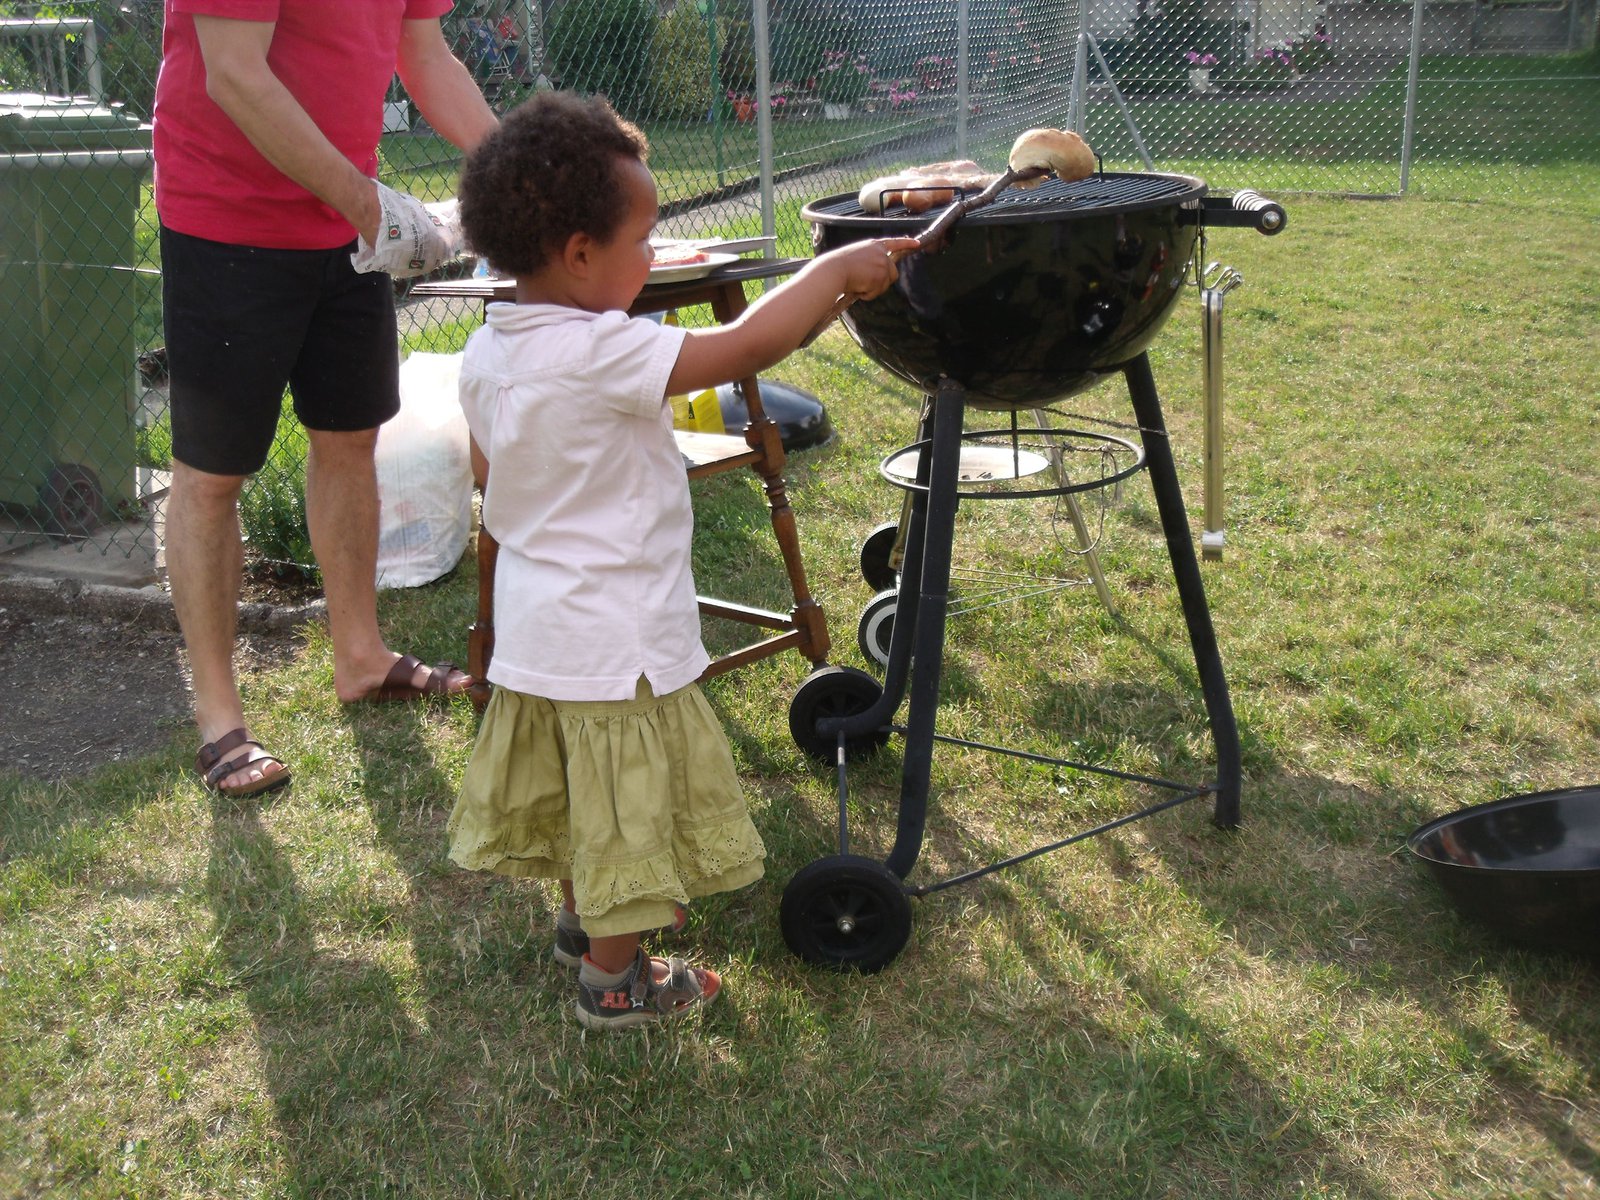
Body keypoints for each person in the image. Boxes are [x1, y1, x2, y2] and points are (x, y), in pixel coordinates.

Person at [445, 91, 916, 1031]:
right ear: (580, 255)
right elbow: (749, 344)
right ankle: (617, 982)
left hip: (543, 632)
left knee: (588, 791)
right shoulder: (602, 351)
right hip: (617, 639)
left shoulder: (487, 349)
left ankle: (585, 926)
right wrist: (835, 274)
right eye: (645, 239)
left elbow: (490, 471)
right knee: (624, 804)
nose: (654, 257)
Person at [152, 2, 499, 798]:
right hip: (224, 219)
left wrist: (515, 165)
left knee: (350, 436)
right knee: (211, 475)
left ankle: (361, 655)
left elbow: (424, 49)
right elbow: (234, 73)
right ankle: (218, 716)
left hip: (344, 223)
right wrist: (372, 205)